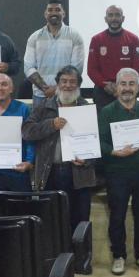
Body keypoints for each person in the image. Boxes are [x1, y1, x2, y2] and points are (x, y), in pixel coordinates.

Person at [22, 65, 96, 230]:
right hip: (50, 173)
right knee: (51, 221)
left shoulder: (87, 109)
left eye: (72, 82)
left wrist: (88, 159)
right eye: (63, 81)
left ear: (78, 85)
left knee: (80, 221)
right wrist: (51, 124)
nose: (67, 85)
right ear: (57, 84)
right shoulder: (43, 106)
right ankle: (55, 255)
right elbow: (26, 132)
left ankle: (80, 255)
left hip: (79, 174)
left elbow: (96, 144)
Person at [97, 68, 139, 275]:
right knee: (117, 216)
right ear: (116, 87)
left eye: (131, 84)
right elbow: (100, 141)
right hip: (117, 172)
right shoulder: (107, 112)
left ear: (138, 88)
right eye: (123, 84)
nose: (127, 88)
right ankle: (118, 256)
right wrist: (114, 151)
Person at [24, 0, 85, 108]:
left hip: (67, 95)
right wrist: (45, 89)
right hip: (41, 95)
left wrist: (57, 89)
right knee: (40, 125)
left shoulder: (75, 36)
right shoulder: (35, 37)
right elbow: (28, 67)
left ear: (63, 13)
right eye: (50, 10)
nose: (54, 13)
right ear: (45, 14)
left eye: (57, 10)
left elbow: (76, 68)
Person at [88, 5, 139, 110]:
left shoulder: (133, 39)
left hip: (127, 90)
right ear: (105, 19)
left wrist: (121, 86)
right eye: (110, 15)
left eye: (117, 15)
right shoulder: (96, 40)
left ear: (123, 18)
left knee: (127, 125)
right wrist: (105, 85)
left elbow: (136, 70)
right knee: (103, 125)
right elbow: (92, 70)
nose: (114, 18)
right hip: (103, 91)